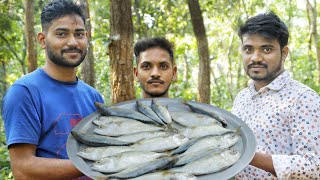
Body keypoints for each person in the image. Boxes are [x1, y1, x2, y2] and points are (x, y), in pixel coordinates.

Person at [1, 0, 104, 179]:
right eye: (61, 34)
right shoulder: (24, 92)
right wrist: (94, 163)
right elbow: (23, 169)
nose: (73, 42)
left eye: (79, 34)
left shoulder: (93, 96)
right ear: (42, 40)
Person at [232, 11, 320, 179]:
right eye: (248, 49)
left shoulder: (303, 98)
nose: (255, 58)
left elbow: (314, 167)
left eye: (266, 49)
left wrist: (249, 155)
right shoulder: (241, 98)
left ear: (284, 53)